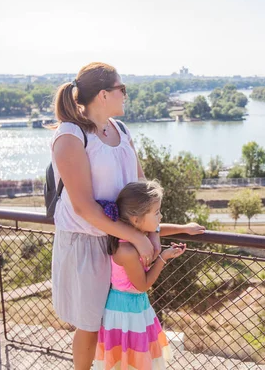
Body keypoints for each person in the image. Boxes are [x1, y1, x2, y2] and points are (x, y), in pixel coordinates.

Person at [50, 62, 205, 369]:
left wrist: (154, 234)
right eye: (122, 89)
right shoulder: (70, 136)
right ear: (104, 95)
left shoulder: (120, 131)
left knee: (115, 320)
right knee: (90, 324)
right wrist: (135, 235)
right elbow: (83, 207)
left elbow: (144, 193)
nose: (126, 95)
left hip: (119, 240)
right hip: (88, 242)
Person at [94, 180, 186, 370]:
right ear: (136, 220)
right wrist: (163, 257)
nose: (160, 216)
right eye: (157, 212)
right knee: (131, 362)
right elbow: (143, 285)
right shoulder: (127, 250)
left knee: (136, 360)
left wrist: (185, 228)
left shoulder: (136, 234)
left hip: (136, 306)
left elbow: (157, 227)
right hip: (125, 311)